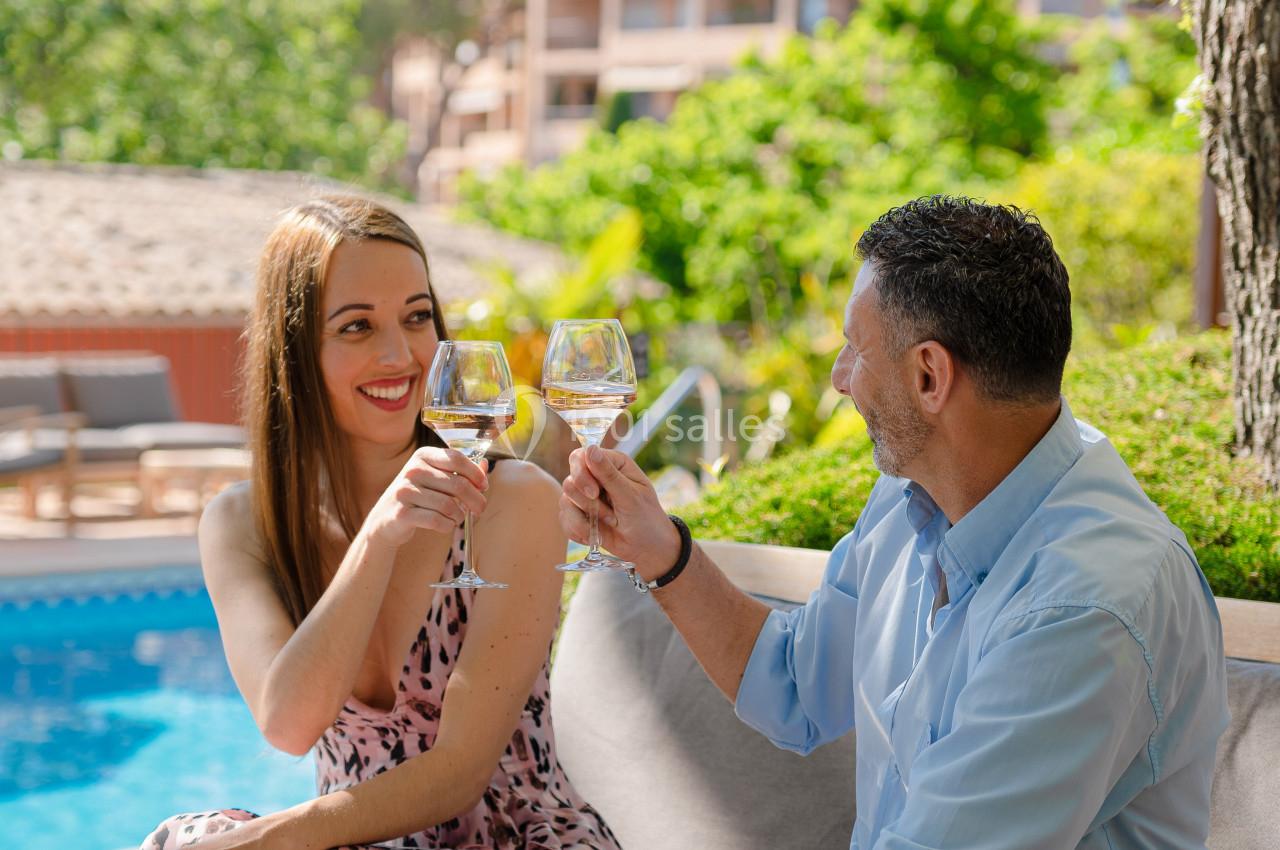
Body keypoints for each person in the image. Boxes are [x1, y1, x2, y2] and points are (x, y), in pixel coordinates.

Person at [559, 196, 1229, 849]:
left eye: (855, 347)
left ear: (930, 376)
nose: (838, 377)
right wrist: (662, 550)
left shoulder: (1081, 610)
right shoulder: (910, 500)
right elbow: (793, 685)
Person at [142, 196, 619, 850]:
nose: (400, 354)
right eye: (356, 327)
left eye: (417, 317)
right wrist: (376, 539)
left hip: (515, 836)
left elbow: (460, 775)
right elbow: (287, 724)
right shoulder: (241, 523)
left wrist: (258, 843)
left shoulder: (511, 502)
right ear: (297, 350)